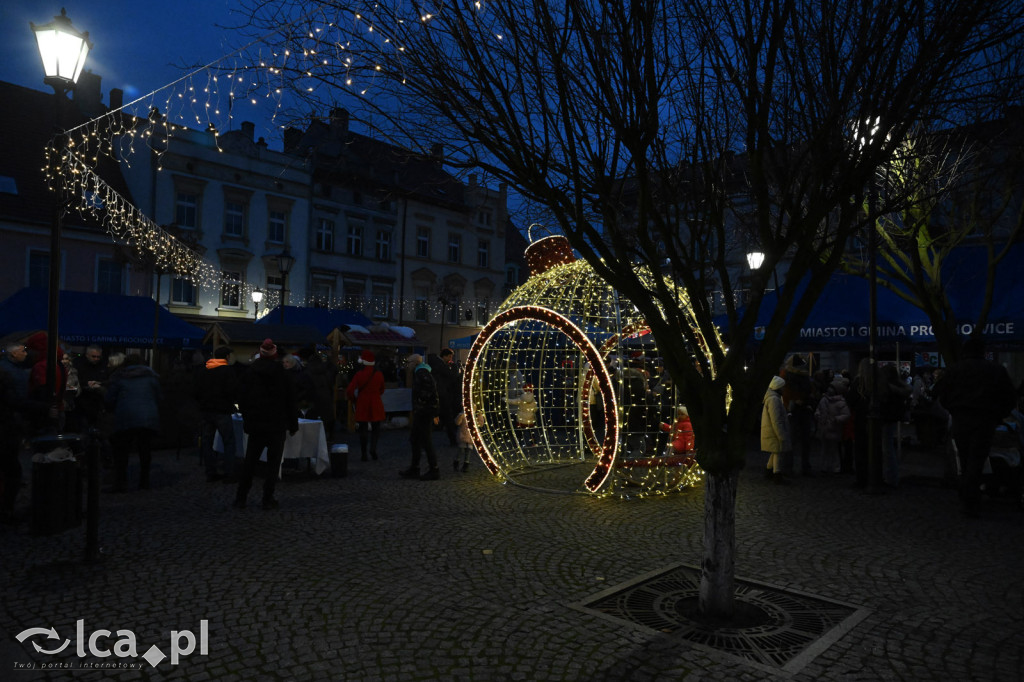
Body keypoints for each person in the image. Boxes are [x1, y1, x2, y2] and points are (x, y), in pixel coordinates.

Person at [932, 335, 1017, 517]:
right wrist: (998, 415)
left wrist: (953, 408)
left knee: (965, 459)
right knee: (976, 460)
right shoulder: (995, 370)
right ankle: (970, 497)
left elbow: (939, 393)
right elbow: (1010, 397)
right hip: (985, 419)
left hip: (962, 418)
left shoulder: (955, 370)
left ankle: (967, 495)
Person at [234, 339, 297, 510]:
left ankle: (241, 497)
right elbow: (290, 400)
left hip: (256, 423)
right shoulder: (282, 374)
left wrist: (247, 417)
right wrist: (293, 424)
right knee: (273, 463)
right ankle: (267, 497)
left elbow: (242, 398)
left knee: (250, 462)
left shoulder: (250, 373)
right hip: (276, 424)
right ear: (275, 354)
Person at [105, 354, 162, 491]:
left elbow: (110, 399)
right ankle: (144, 481)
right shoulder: (151, 377)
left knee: (122, 452)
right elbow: (159, 396)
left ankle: (121, 482)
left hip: (126, 417)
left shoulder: (120, 377)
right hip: (147, 417)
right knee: (145, 450)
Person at [194, 346, 240, 482]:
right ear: (226, 357)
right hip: (222, 410)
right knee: (229, 442)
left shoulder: (204, 369)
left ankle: (210, 471)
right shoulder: (228, 371)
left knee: (207, 442)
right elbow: (232, 390)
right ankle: (229, 472)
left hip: (206, 410)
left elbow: (196, 390)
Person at [400, 355, 441, 481]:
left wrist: (421, 403)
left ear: (414, 363)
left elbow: (429, 393)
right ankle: (415, 467)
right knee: (416, 439)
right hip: (423, 411)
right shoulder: (421, 373)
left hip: (424, 412)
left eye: (409, 363)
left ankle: (433, 469)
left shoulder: (421, 374)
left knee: (425, 440)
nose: (408, 365)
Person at [345, 350, 386, 461]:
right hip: (376, 402)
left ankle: (364, 454)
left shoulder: (359, 374)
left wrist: (354, 399)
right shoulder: (379, 374)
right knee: (376, 428)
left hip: (362, 402)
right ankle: (373, 448)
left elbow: (349, 390)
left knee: (363, 429)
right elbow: (382, 389)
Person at [781, 354, 815, 475]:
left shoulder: (790, 375)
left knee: (801, 440)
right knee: (793, 439)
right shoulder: (787, 376)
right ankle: (789, 467)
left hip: (800, 408)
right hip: (793, 409)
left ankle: (797, 467)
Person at [814, 377, 851, 474]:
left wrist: (836, 419)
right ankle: (824, 467)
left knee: (833, 450)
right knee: (825, 449)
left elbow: (846, 415)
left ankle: (835, 468)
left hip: (833, 428)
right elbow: (818, 409)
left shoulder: (840, 402)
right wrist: (817, 414)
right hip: (825, 427)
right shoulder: (824, 400)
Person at [761, 375, 792, 483]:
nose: (784, 389)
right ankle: (777, 474)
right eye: (782, 387)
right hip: (774, 432)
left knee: (775, 452)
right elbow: (776, 419)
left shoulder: (773, 398)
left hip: (772, 431)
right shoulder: (774, 399)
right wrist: (781, 434)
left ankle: (769, 471)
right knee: (778, 452)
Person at [428, 348, 460, 447]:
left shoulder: (437, 364)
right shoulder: (441, 365)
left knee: (437, 417)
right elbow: (452, 376)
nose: (451, 358)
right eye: (450, 356)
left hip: (440, 394)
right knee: (447, 418)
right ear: (444, 356)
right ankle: (452, 440)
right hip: (443, 395)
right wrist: (455, 368)